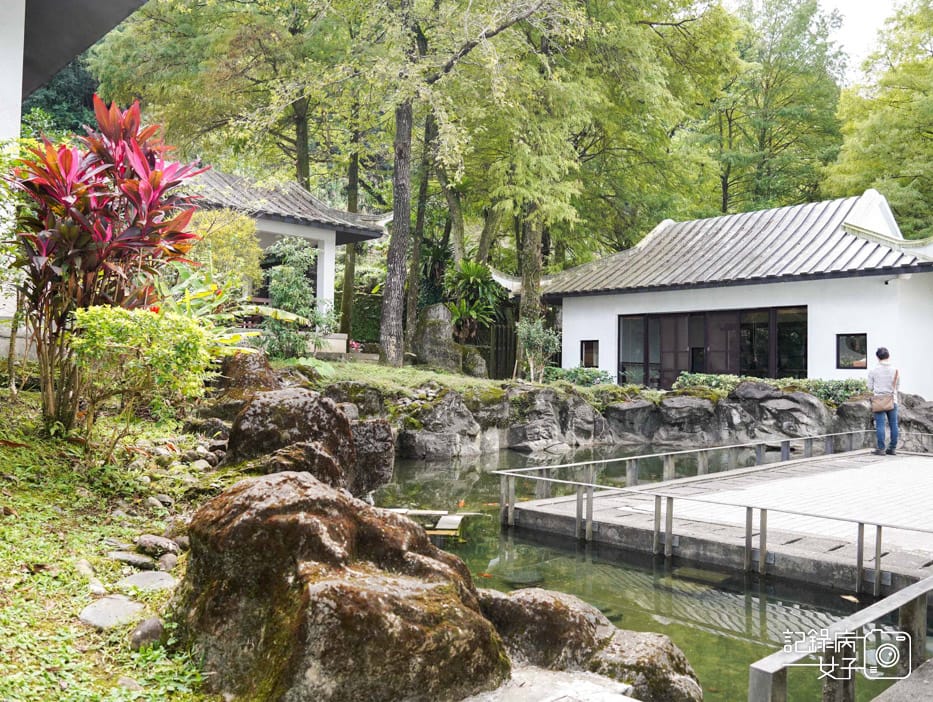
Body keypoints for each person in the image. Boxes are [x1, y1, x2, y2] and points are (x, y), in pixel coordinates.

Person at [867, 347, 899, 455]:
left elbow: (869, 387)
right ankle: (892, 448)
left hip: (879, 401)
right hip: (892, 399)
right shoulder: (895, 370)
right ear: (888, 356)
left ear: (877, 357)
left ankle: (881, 449)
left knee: (880, 425)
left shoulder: (873, 370)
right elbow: (897, 386)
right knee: (893, 424)